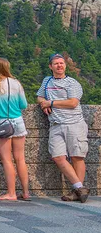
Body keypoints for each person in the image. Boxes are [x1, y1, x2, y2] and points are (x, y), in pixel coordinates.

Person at [37, 53, 90, 203]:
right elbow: (40, 96)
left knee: (76, 157)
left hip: (74, 123)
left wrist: (51, 103)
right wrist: (43, 103)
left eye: (61, 63)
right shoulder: (47, 81)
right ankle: (80, 188)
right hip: (55, 124)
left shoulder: (72, 83)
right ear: (50, 66)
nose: (59, 66)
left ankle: (76, 192)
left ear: (65, 65)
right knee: (58, 157)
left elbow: (73, 103)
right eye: (56, 64)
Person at [0, 58, 30, 201]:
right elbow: (24, 105)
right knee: (20, 159)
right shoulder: (16, 83)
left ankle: (11, 193)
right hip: (18, 122)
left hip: (2, 123)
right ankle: (26, 192)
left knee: (7, 159)